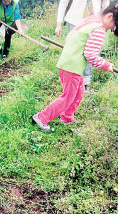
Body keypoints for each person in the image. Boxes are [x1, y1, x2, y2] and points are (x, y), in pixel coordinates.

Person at [32, 1, 118, 131]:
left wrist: (75, 48)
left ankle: (67, 117)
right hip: (72, 67)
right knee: (67, 97)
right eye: (114, 26)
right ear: (110, 16)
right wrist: (106, 65)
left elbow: (70, 35)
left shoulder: (91, 20)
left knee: (79, 93)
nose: (112, 30)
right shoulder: (99, 29)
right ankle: (41, 117)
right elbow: (90, 54)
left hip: (70, 64)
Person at [55, 0, 93, 91]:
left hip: (93, 22)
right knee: (73, 52)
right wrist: (59, 24)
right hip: (74, 20)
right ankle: (73, 82)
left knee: (89, 51)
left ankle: (86, 83)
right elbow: (63, 3)